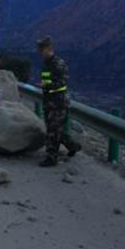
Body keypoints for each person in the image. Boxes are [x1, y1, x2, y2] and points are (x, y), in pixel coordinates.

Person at [37, 36, 82, 167]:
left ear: (48, 49)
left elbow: (61, 83)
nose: (39, 52)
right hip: (49, 100)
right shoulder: (47, 63)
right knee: (55, 129)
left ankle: (51, 157)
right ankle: (73, 146)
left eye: (41, 49)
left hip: (59, 101)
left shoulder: (58, 64)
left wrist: (45, 86)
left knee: (53, 130)